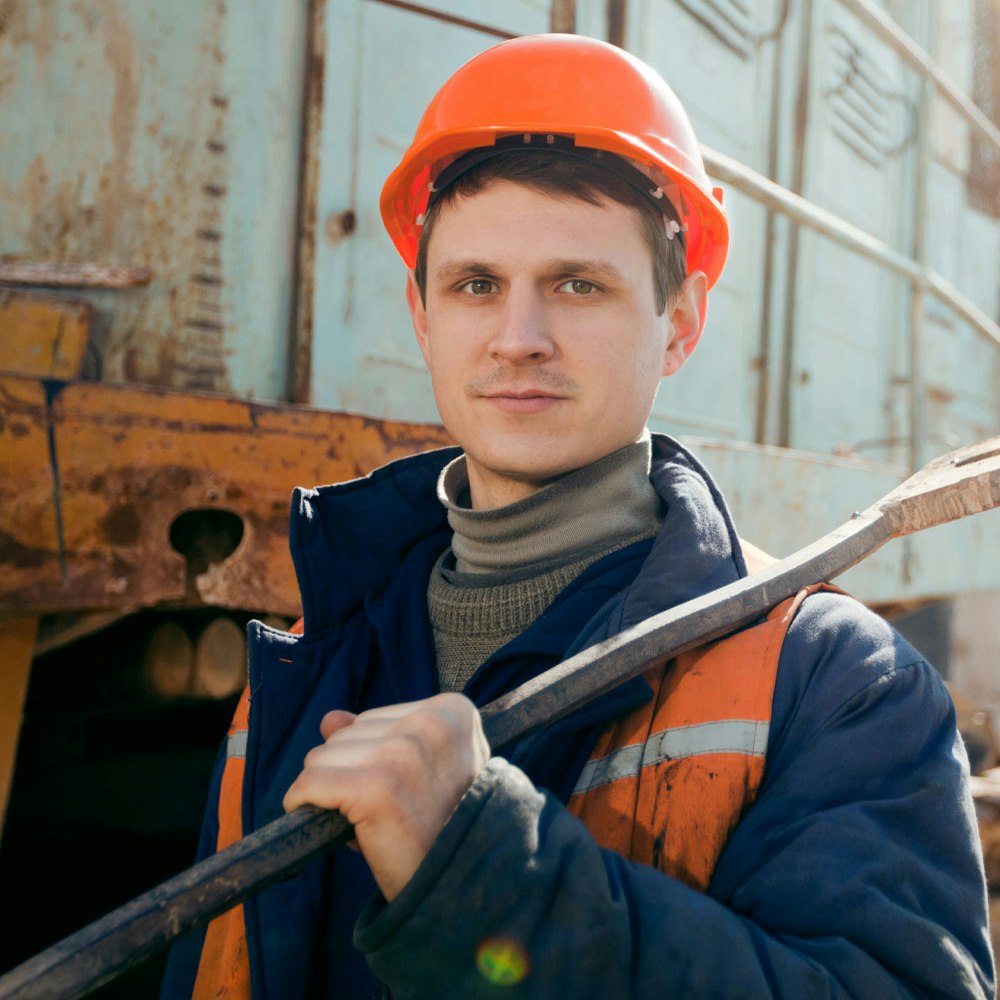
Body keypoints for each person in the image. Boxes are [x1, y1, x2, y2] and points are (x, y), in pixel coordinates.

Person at [163, 33, 994, 999]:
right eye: (477, 286)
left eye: (577, 285)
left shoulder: (836, 682)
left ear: (679, 321)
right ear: (424, 317)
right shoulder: (297, 671)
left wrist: (487, 877)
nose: (519, 339)